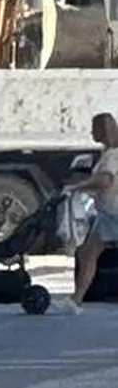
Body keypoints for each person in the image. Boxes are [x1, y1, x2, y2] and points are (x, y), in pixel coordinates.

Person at [72, 111, 118, 306]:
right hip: (107, 212)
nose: (91, 132)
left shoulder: (112, 155)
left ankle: (77, 298)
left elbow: (106, 180)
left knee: (88, 253)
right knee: (87, 253)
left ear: (102, 130)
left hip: (113, 213)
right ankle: (77, 299)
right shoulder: (110, 153)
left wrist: (78, 186)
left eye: (94, 128)